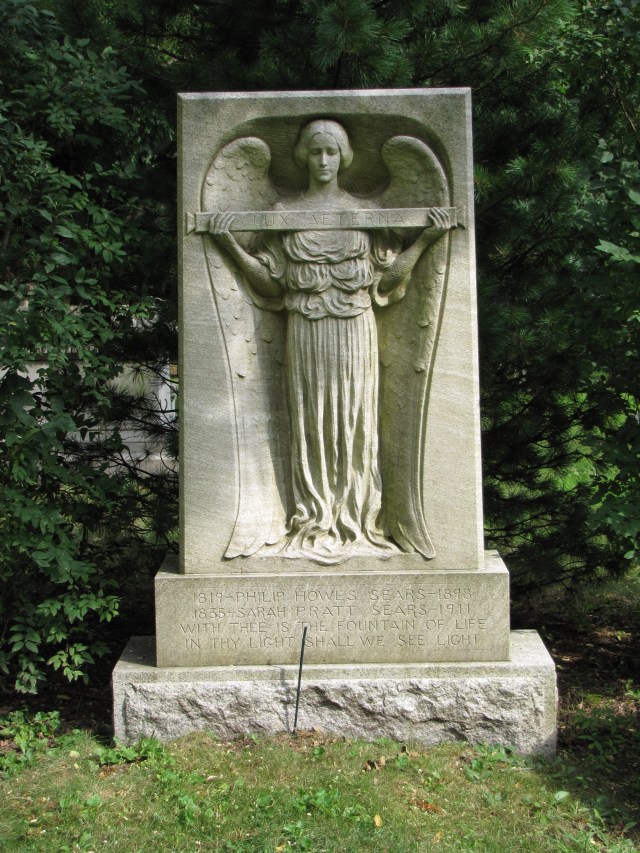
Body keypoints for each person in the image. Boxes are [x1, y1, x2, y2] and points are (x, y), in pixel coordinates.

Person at [209, 119, 450, 562]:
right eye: (315, 151)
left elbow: (390, 275)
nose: (323, 160)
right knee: (312, 423)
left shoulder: (367, 213)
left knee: (355, 423)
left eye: (331, 152)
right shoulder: (282, 214)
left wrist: (427, 239)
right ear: (303, 156)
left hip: (356, 331)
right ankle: (312, 517)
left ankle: (357, 520)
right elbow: (269, 284)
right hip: (304, 333)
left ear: (343, 157)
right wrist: (229, 244)